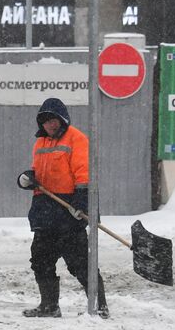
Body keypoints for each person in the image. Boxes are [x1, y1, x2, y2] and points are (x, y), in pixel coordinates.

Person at [16, 97, 109, 318]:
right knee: (40, 260)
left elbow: (84, 172)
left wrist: (82, 201)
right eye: (46, 121)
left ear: (63, 119)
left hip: (68, 212)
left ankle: (100, 306)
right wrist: (29, 177)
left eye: (54, 120)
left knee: (80, 264)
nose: (50, 124)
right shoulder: (40, 143)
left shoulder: (76, 139)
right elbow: (40, 172)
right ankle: (49, 306)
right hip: (45, 212)